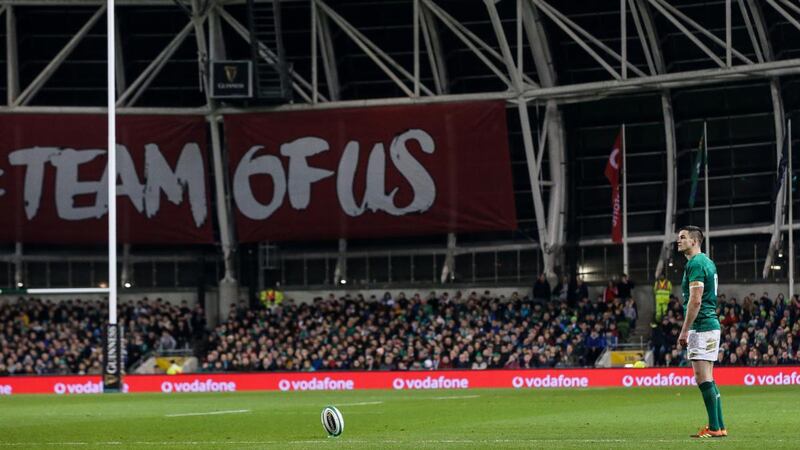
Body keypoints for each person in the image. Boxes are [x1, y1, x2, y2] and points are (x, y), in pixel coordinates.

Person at [676, 225, 726, 438]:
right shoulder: (707, 262)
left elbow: (695, 300)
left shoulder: (695, 263)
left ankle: (714, 427)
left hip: (702, 325)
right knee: (709, 377)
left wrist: (684, 330)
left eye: (683, 237)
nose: (678, 240)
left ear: (695, 241)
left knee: (702, 377)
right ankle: (719, 426)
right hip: (711, 324)